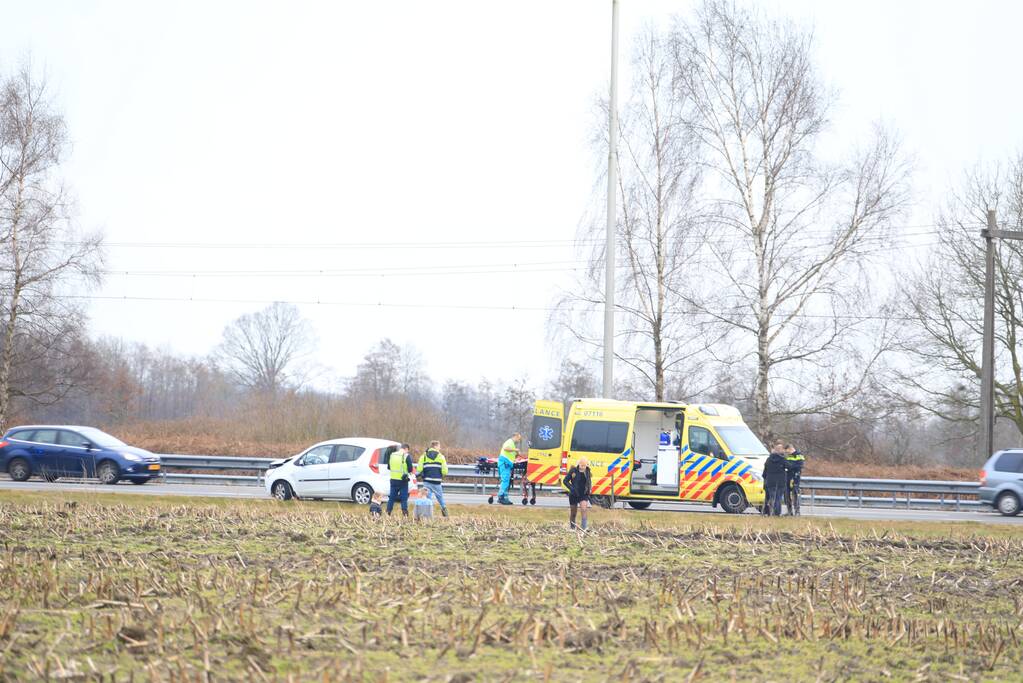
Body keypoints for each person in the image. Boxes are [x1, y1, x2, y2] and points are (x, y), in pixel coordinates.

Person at [418, 440, 449, 517]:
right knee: (440, 498)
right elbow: (445, 471)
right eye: (439, 446)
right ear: (435, 446)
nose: (440, 448)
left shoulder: (423, 456)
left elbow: (419, 469)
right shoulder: (441, 457)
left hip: (427, 481)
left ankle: (428, 514)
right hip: (437, 481)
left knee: (428, 498)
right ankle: (445, 513)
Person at [386, 443, 415, 517]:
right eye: (407, 451)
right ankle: (405, 514)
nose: (407, 452)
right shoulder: (406, 456)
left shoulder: (392, 455)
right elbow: (410, 469)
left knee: (391, 497)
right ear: (406, 449)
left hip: (393, 479)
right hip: (403, 480)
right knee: (404, 498)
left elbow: (389, 467)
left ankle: (388, 513)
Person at [563, 457, 592, 530]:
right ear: (579, 464)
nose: (583, 467)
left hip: (583, 494)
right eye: (582, 465)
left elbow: (589, 481)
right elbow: (565, 481)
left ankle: (584, 527)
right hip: (574, 494)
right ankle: (572, 527)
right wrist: (572, 488)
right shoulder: (573, 471)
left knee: (584, 509)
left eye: (584, 466)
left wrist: (589, 489)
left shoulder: (588, 471)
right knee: (573, 512)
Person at [762, 442, 788, 516]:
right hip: (780, 482)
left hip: (770, 481)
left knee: (771, 497)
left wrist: (766, 478)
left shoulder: (768, 460)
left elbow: (764, 472)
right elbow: (789, 466)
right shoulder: (782, 459)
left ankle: (770, 512)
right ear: (780, 451)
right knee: (778, 498)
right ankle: (777, 513)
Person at [496, 432, 520, 506]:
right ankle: (501, 497)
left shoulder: (512, 444)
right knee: (505, 480)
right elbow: (506, 448)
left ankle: (505, 498)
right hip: (504, 464)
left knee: (507, 481)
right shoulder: (509, 442)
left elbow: (511, 454)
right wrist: (515, 450)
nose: (519, 440)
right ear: (515, 436)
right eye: (519, 438)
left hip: (507, 464)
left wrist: (516, 454)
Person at [784, 443, 805, 516]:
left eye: (787, 451)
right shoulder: (788, 456)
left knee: (795, 494)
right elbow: (786, 465)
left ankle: (797, 511)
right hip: (788, 477)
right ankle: (789, 511)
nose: (787, 453)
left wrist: (790, 466)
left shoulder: (799, 455)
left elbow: (799, 466)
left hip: (795, 477)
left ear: (791, 448)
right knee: (787, 495)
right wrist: (790, 466)